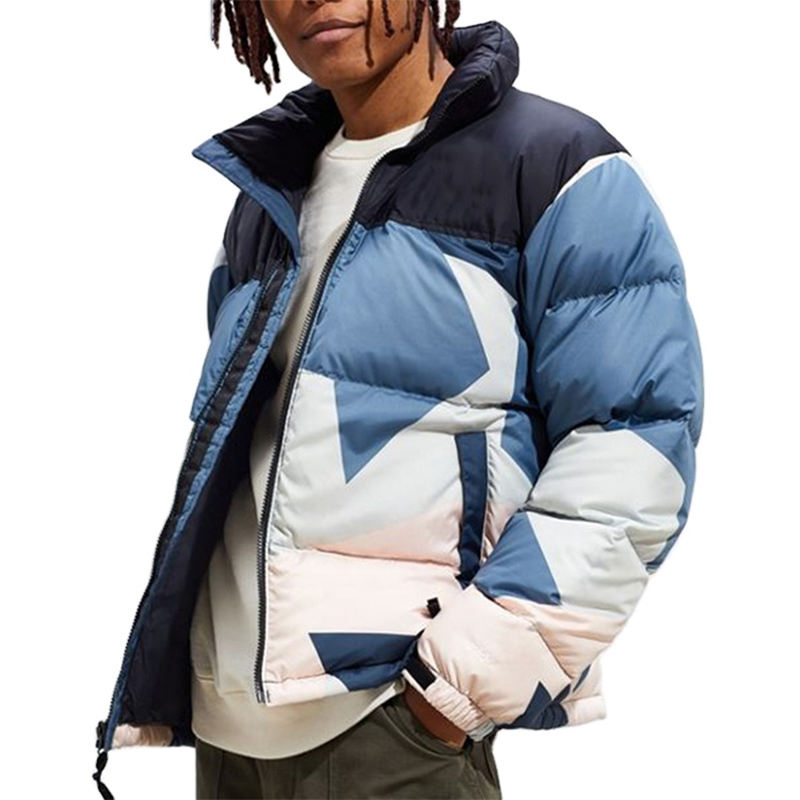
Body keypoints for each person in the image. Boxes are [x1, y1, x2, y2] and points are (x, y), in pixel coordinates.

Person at [92, 2, 705, 799]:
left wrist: (456, 687)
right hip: (226, 728)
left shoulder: (555, 165)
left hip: (389, 722)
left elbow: (634, 444)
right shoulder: (267, 189)